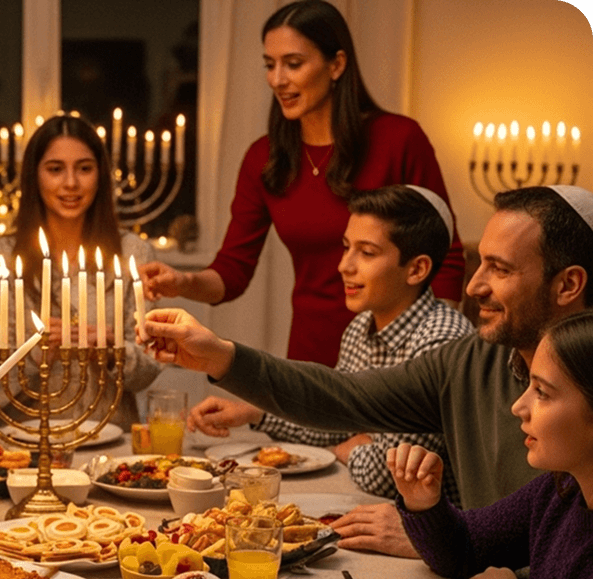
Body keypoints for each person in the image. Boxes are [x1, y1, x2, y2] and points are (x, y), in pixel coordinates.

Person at [141, 185, 593, 557]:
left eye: (500, 268)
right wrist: (220, 355)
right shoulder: (473, 359)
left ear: (568, 285)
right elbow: (340, 396)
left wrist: (446, 548)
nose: (473, 287)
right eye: (481, 264)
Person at [138, 0, 464, 367]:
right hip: (311, 354)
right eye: (270, 65)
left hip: (396, 354)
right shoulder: (265, 158)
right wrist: (183, 283)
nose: (278, 79)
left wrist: (433, 356)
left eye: (293, 64)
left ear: (336, 64)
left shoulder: (398, 138)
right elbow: (233, 270)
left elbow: (447, 257)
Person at [189, 185, 473, 503]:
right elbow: (333, 419)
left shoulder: (441, 342)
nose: (344, 266)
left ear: (417, 269)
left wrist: (348, 448)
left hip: (436, 535)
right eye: (346, 247)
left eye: (366, 253)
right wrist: (255, 411)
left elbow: (387, 476)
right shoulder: (360, 327)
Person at [388, 309, 593, 579]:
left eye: (543, 392)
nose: (519, 406)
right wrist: (425, 504)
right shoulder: (561, 490)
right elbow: (465, 549)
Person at [0, 114, 162, 426]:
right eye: (55, 169)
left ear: (100, 174)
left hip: (109, 438)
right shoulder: (3, 258)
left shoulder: (133, 254)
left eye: (84, 168)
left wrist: (113, 352)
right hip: (24, 442)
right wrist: (35, 355)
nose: (70, 183)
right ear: (35, 176)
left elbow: (148, 371)